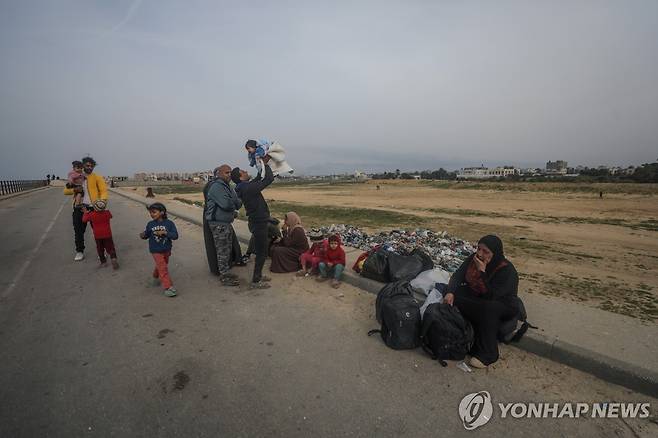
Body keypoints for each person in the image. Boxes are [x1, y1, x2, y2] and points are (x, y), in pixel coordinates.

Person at [443, 235, 519, 369]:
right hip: (479, 298)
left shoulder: (506, 270)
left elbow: (491, 295)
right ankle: (468, 335)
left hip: (502, 304)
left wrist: (482, 271)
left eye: (485, 252)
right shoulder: (474, 259)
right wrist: (450, 292)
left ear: (495, 254)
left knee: (489, 308)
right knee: (451, 292)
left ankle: (488, 353)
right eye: (479, 249)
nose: (480, 254)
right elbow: (458, 275)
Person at [232, 162, 275, 289]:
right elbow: (268, 179)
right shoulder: (247, 188)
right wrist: (266, 164)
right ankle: (256, 280)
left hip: (256, 221)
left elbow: (257, 179)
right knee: (261, 252)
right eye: (243, 171)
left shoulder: (244, 186)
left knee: (261, 250)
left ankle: (259, 275)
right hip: (259, 222)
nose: (246, 171)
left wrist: (260, 166)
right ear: (240, 177)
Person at [63, 156, 108, 261]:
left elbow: (103, 191)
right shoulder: (76, 176)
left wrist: (102, 201)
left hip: (94, 208)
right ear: (83, 165)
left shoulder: (97, 177)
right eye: (87, 165)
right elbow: (65, 191)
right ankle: (79, 251)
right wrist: (74, 190)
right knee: (78, 231)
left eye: (91, 166)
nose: (89, 167)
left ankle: (101, 250)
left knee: (98, 230)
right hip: (79, 208)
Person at [204, 165, 242, 287]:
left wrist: (232, 202)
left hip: (225, 223)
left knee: (226, 249)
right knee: (222, 251)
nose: (229, 175)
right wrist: (233, 202)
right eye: (226, 172)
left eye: (230, 172)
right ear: (219, 173)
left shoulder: (228, 186)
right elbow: (227, 204)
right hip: (218, 224)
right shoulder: (216, 186)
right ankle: (224, 276)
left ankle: (225, 272)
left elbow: (238, 204)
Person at [140, 203, 179, 297]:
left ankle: (155, 276)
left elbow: (175, 236)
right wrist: (143, 235)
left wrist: (166, 233)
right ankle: (168, 287)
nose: (151, 214)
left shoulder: (169, 224)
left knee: (162, 265)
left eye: (154, 212)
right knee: (163, 267)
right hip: (155, 250)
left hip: (166, 249)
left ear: (162, 212)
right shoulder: (150, 224)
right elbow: (147, 234)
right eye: (150, 212)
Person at [82, 199, 118, 269]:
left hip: (98, 235)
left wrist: (85, 212)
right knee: (110, 247)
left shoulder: (92, 214)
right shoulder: (107, 213)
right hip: (108, 234)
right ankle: (113, 258)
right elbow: (111, 216)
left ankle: (103, 262)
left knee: (100, 249)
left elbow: (84, 220)